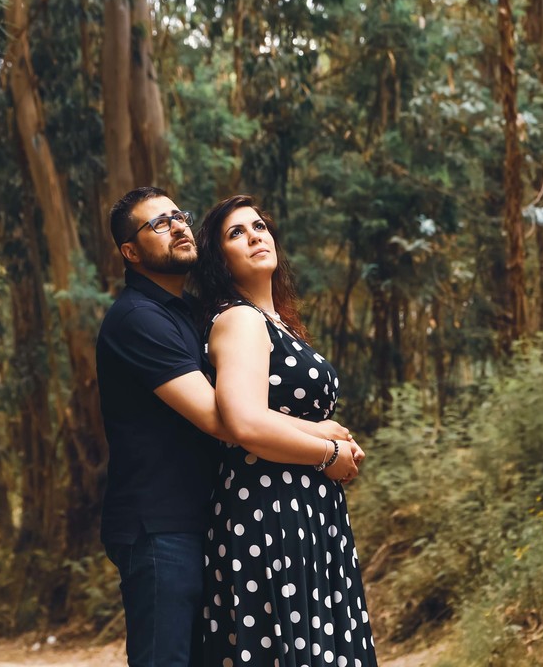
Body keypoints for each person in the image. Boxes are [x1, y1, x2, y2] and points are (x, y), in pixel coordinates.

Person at [97, 187, 360, 667]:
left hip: (204, 517)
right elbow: (224, 420)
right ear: (130, 252)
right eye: (158, 223)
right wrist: (322, 437)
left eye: (178, 216)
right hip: (160, 527)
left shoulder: (188, 312)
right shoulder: (138, 319)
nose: (177, 226)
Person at [193, 194, 378, 667]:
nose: (255, 236)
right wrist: (326, 451)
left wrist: (326, 437)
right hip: (269, 508)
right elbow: (244, 421)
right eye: (236, 233)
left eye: (259, 226)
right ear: (219, 260)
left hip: (304, 509)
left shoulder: (278, 323)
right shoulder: (239, 319)